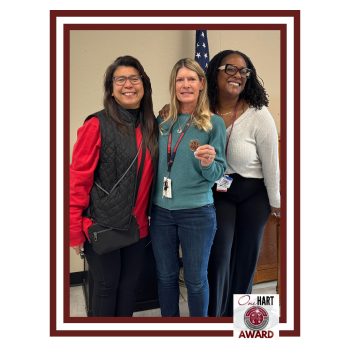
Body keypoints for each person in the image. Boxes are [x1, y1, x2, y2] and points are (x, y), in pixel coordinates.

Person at [159, 50, 280, 317]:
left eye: (243, 71)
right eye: (231, 69)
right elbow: (178, 120)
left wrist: (278, 203)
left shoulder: (259, 115)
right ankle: (214, 321)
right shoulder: (203, 110)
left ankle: (244, 323)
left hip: (253, 193)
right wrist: (171, 109)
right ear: (214, 72)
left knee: (246, 260)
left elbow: (272, 163)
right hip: (219, 192)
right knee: (219, 257)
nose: (238, 75)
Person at [70, 56, 158, 317]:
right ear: (111, 88)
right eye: (120, 79)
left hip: (138, 228)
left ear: (144, 84)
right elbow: (77, 181)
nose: (128, 84)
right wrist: (73, 230)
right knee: (107, 287)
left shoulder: (152, 126)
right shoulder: (96, 125)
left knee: (129, 288)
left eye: (134, 78)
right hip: (103, 225)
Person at [150, 58, 227, 317]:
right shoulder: (161, 121)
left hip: (196, 211)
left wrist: (207, 162)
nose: (185, 85)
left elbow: (218, 172)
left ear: (201, 83)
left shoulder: (213, 123)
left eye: (191, 79)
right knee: (166, 277)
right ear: (173, 84)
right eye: (180, 79)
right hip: (161, 212)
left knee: (195, 280)